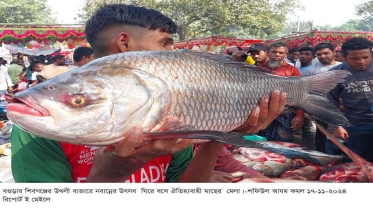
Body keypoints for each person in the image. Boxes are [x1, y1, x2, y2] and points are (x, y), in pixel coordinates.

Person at [11, 4, 286, 183]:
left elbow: (185, 190)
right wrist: (108, 176)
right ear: (125, 43)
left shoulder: (165, 109)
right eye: (164, 44)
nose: (172, 54)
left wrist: (222, 135)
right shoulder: (37, 129)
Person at [326, 37, 373, 162]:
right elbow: (330, 102)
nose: (361, 61)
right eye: (355, 58)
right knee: (357, 161)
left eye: (365, 57)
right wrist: (336, 125)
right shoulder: (335, 74)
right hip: (355, 125)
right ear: (344, 57)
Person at [257, 42, 304, 142]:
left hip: (286, 112)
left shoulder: (293, 71)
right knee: (263, 140)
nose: (277, 54)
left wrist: (299, 116)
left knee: (282, 141)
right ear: (268, 53)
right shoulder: (259, 69)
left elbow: (300, 93)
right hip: (264, 110)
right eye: (274, 52)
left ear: (285, 55)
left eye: (281, 52)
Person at [303, 42, 342, 152]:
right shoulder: (310, 71)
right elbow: (306, 91)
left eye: (326, 53)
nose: (323, 56)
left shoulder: (342, 67)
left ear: (334, 52)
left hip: (342, 109)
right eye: (319, 54)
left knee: (341, 137)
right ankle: (323, 159)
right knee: (321, 135)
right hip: (320, 108)